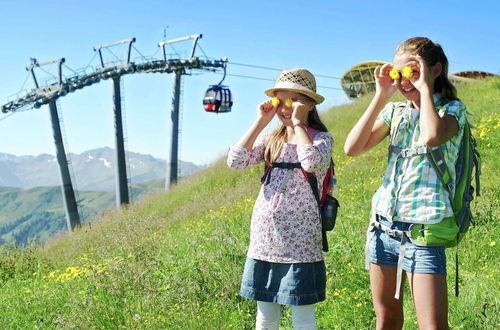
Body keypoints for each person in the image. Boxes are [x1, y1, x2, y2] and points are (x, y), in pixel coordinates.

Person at [344, 37, 467, 329]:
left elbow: (431, 136)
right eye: (399, 73)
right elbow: (352, 147)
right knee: (386, 319)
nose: (404, 81)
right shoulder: (394, 112)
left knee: (432, 326)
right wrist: (381, 96)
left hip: (423, 232)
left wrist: (423, 89)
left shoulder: (452, 110)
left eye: (412, 71)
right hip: (383, 228)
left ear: (435, 70)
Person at [227, 68, 333, 329]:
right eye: (280, 101)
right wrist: (261, 122)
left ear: (309, 105)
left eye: (293, 101)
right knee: (266, 315)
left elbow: (310, 163)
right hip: (266, 238)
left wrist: (298, 124)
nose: (285, 108)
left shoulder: (321, 139)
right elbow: (235, 160)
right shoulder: (270, 139)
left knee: (303, 315)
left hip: (301, 243)